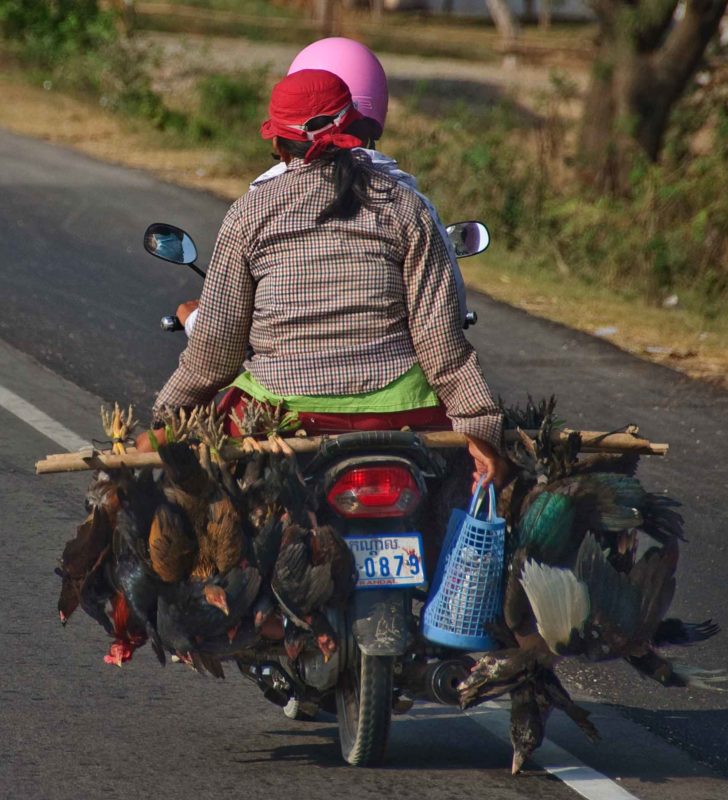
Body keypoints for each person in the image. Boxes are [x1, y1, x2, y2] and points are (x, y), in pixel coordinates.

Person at [144, 69, 506, 488]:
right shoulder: (407, 208)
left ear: (278, 145)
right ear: (357, 128)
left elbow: (217, 353)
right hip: (403, 416)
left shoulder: (249, 214)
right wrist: (480, 428)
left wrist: (169, 411)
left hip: (282, 416)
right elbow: (441, 345)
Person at [179, 37, 471, 339]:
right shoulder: (409, 202)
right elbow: (448, 318)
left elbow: (221, 330)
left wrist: (194, 321)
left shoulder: (254, 205)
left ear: (280, 137)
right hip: (391, 377)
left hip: (280, 380)